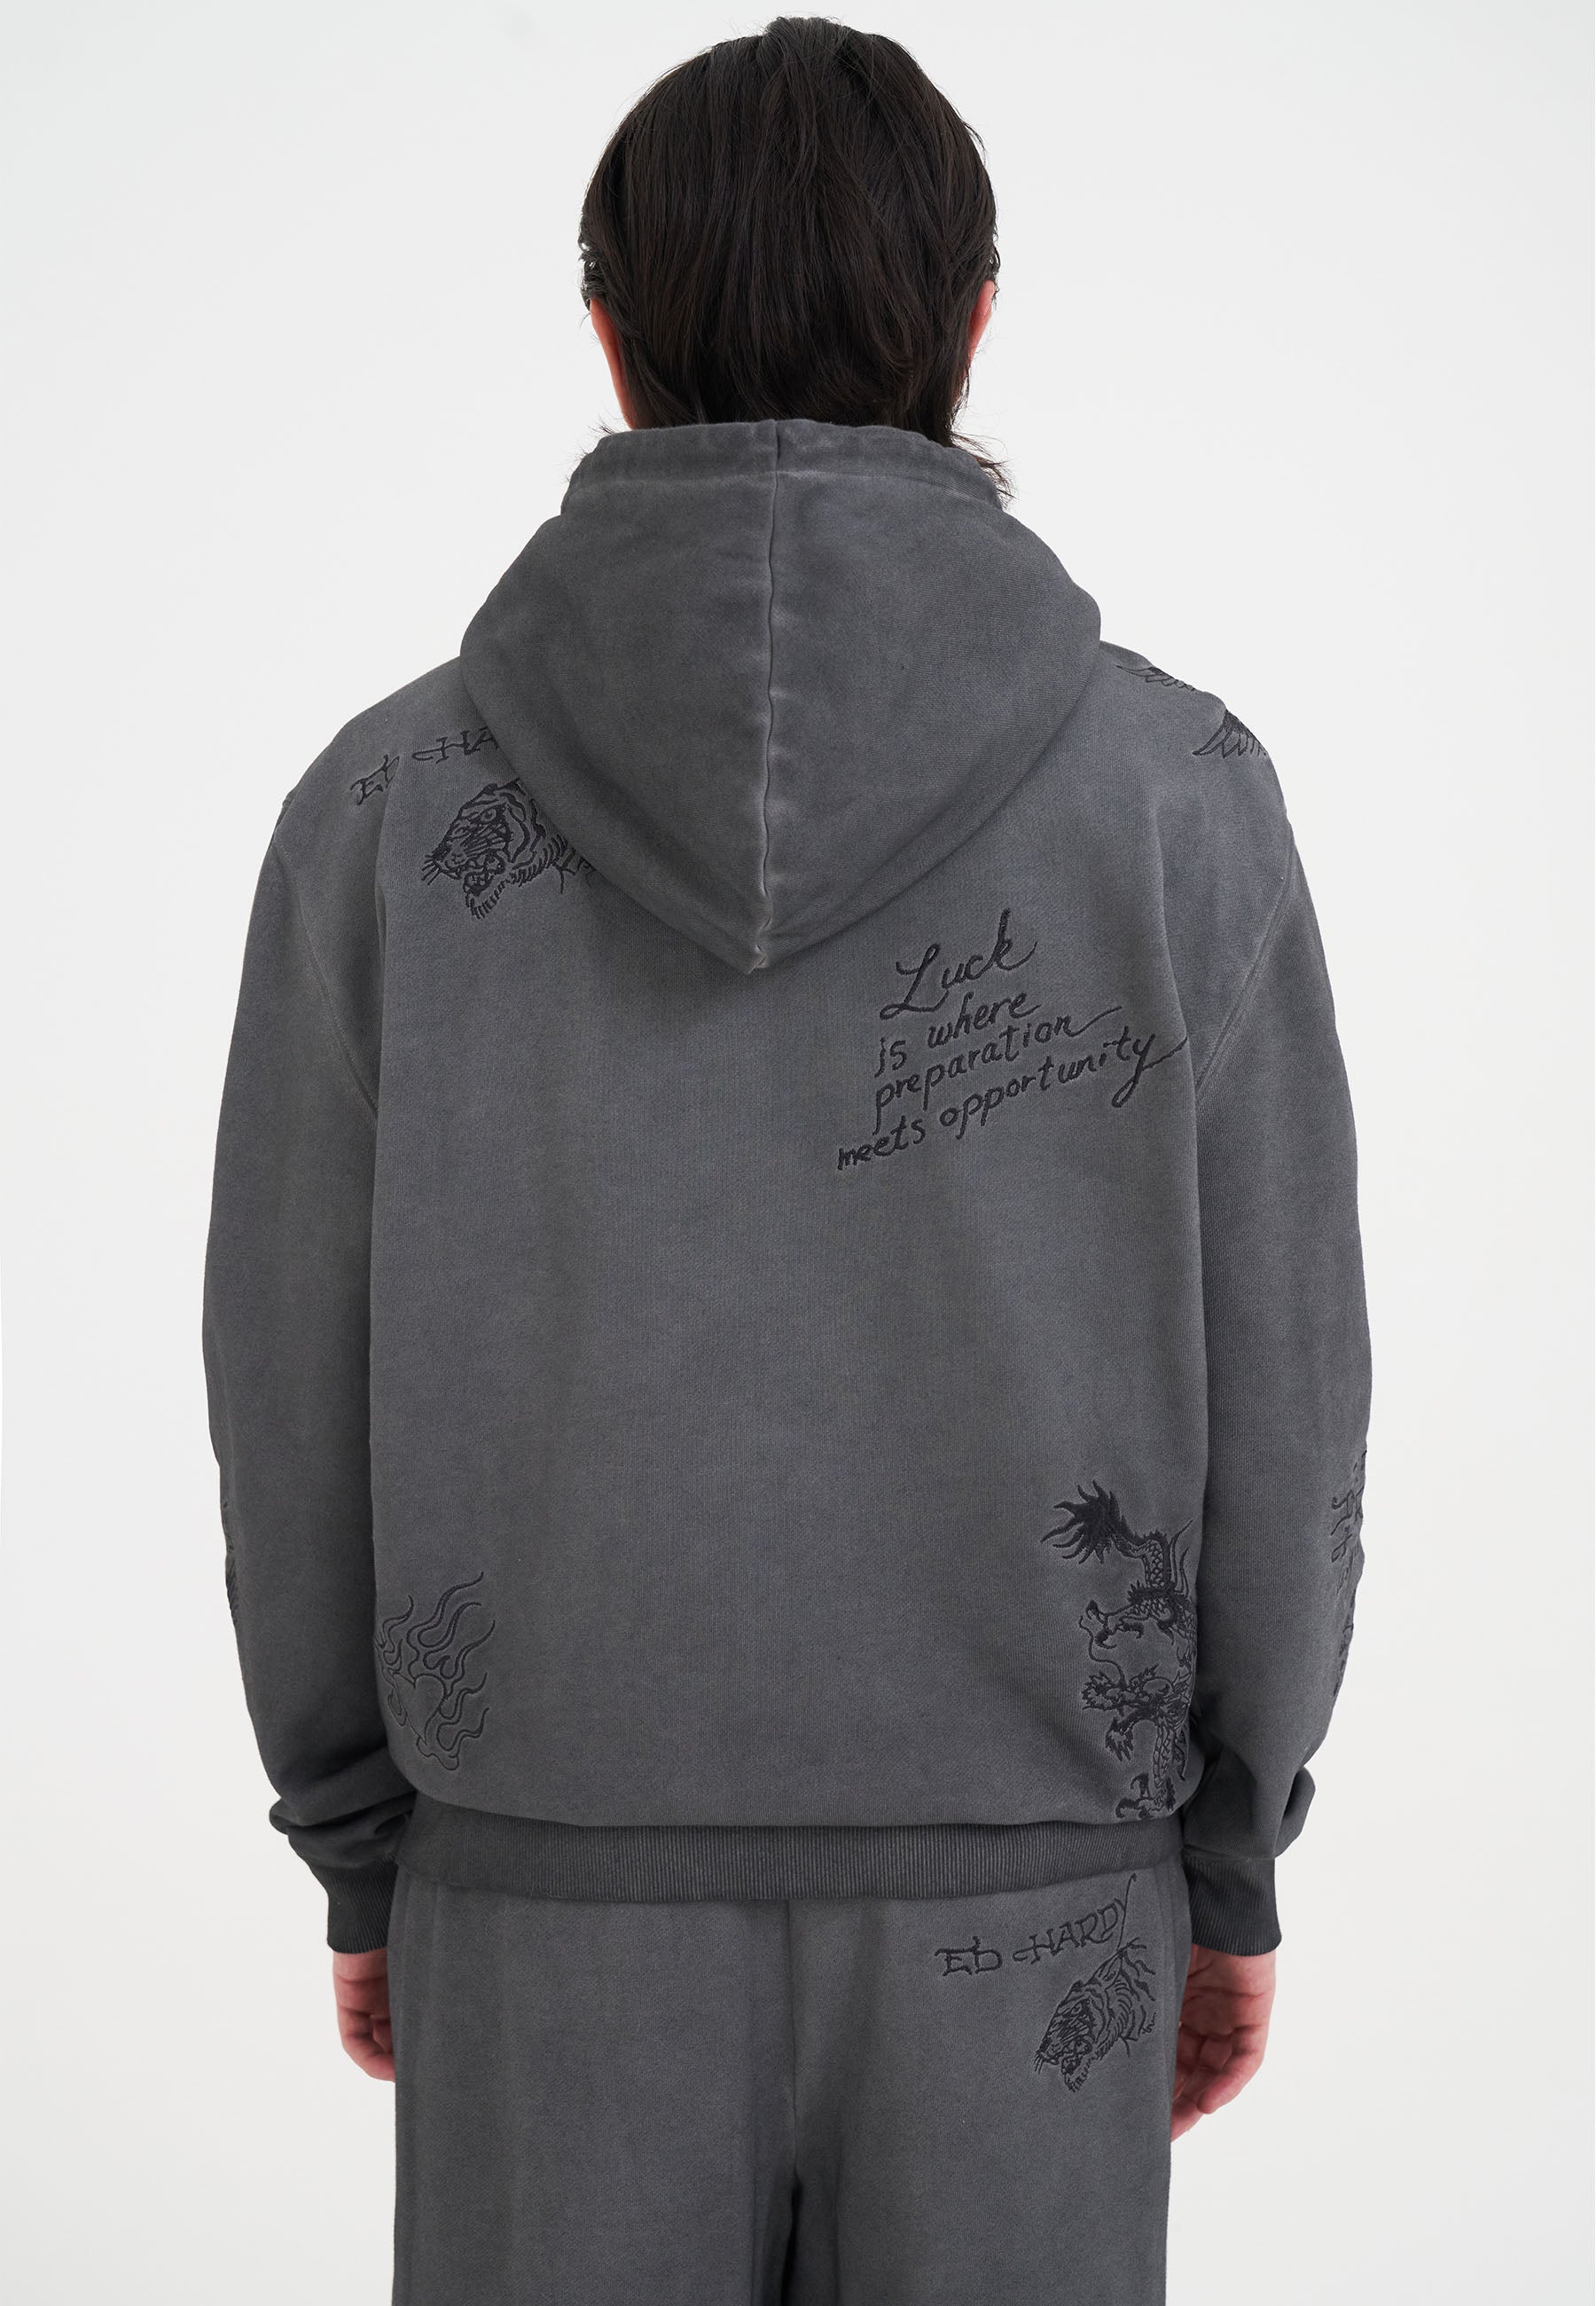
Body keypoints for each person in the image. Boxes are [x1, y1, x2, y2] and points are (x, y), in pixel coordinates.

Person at [201, 18, 1372, 2303]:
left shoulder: (379, 817)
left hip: (539, 1898)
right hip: (1039, 1915)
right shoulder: (1179, 802)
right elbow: (1291, 1388)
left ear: (607, 335)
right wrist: (1229, 1860)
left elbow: (287, 1391)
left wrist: (366, 1850)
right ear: (975, 323)